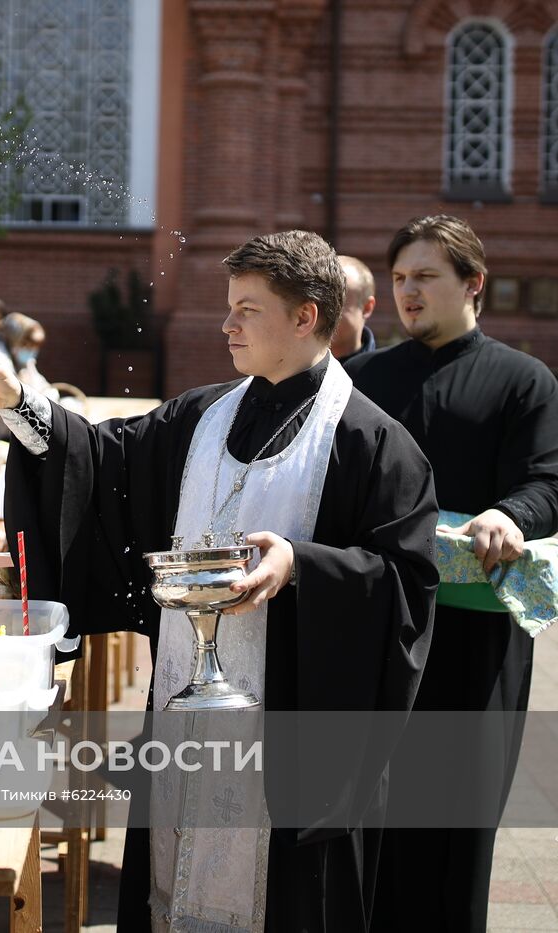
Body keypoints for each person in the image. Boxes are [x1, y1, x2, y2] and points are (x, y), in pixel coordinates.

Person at [0, 230, 438, 931]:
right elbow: (98, 460)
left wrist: (303, 566)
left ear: (306, 316)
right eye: (229, 306)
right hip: (186, 718)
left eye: (247, 308)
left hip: (289, 746)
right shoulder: (202, 417)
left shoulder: (373, 443)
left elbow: (405, 583)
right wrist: (17, 403)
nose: (226, 324)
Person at [347, 215, 558, 933]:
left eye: (426, 276)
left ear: (473, 284)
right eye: (400, 277)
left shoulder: (524, 381)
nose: (407, 291)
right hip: (381, 630)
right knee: (371, 819)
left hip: (476, 636)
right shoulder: (360, 380)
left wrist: (510, 513)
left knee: (456, 824)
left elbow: (548, 481)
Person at [0, 312, 53, 448]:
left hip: (15, 437)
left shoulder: (26, 363)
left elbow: (42, 386)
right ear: (14, 340)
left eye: (35, 346)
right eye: (27, 344)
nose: (31, 351)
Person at [331, 255, 377, 362]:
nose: (321, 310)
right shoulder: (291, 369)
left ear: (367, 307)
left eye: (336, 300)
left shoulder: (385, 372)